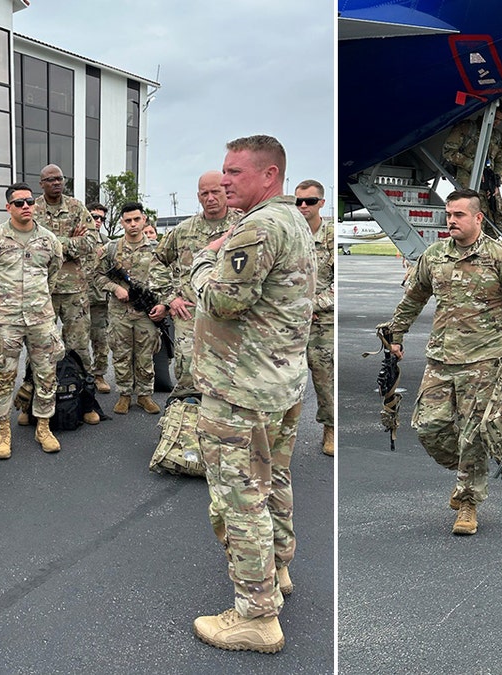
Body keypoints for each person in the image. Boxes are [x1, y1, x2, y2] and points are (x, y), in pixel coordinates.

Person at [191, 135, 314, 653]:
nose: (224, 181)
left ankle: (257, 616)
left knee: (240, 499)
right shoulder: (294, 222)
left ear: (269, 176)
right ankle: (278, 568)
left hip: (241, 390)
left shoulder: (259, 227)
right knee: (273, 482)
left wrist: (202, 261)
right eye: (224, 171)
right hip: (277, 384)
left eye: (235, 172)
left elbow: (221, 301)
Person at [384, 188, 502, 537]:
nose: (451, 220)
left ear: (478, 218)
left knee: (473, 434)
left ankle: (469, 500)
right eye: (448, 214)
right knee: (429, 427)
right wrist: (395, 335)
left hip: (484, 360)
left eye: (459, 215)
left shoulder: (500, 257)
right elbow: (413, 297)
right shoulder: (434, 256)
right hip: (441, 358)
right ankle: (467, 469)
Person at [0, 183, 65, 459]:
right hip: (6, 321)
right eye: (19, 203)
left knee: (46, 375)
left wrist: (37, 301)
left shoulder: (49, 240)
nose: (25, 206)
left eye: (29, 201)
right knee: (3, 376)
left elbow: (53, 275)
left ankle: (44, 426)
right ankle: (3, 431)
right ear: (8, 207)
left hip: (41, 319)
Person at [151, 170, 242, 401]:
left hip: (231, 315)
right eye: (205, 193)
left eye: (216, 192)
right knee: (188, 370)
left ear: (225, 192)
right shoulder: (183, 231)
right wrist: (171, 297)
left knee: (231, 373)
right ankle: (185, 422)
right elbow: (156, 262)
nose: (210, 198)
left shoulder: (243, 226)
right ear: (198, 197)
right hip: (190, 313)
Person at [96, 202, 166, 416]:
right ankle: (125, 394)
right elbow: (96, 276)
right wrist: (115, 288)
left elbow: (169, 278)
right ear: (122, 223)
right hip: (120, 312)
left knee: (146, 354)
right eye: (128, 220)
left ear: (144, 219)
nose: (133, 224)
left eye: (137, 219)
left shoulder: (157, 249)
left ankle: (145, 395)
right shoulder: (111, 249)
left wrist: (164, 304)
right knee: (121, 354)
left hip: (146, 312)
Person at [33, 164, 98, 364]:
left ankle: (82, 387)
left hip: (74, 290)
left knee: (78, 344)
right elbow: (30, 247)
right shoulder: (33, 210)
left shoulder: (76, 207)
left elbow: (91, 242)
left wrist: (51, 244)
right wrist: (70, 242)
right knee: (41, 344)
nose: (56, 183)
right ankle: (37, 387)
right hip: (42, 290)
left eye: (59, 179)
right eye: (50, 180)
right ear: (41, 184)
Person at [295, 179, 335, 456]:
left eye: (309, 201)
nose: (303, 206)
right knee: (283, 378)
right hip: (289, 322)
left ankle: (330, 428)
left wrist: (311, 304)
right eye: (298, 201)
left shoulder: (332, 236)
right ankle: (279, 432)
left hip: (322, 323)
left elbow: (339, 284)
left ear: (321, 203)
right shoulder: (290, 234)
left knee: (324, 378)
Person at [441, 101, 502, 234]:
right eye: (495, 118)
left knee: (499, 222)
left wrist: (497, 179)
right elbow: (449, 152)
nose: (497, 122)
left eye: (500, 120)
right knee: (476, 220)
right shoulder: (466, 128)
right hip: (469, 182)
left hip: (489, 183)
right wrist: (473, 166)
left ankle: (486, 248)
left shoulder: (497, 137)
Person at [85, 202, 112, 394]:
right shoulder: (77, 238)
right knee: (74, 342)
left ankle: (99, 375)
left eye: (101, 218)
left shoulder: (107, 242)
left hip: (99, 300)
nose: (98, 221)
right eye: (94, 217)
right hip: (77, 298)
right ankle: (77, 374)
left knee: (101, 340)